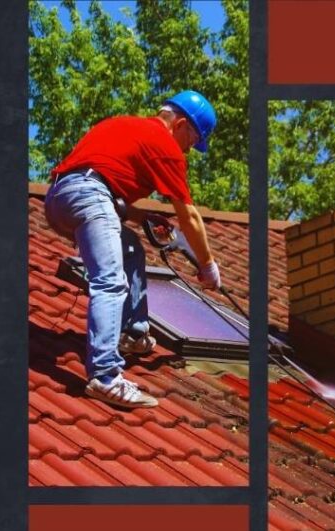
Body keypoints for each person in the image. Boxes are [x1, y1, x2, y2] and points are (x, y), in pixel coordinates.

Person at [44, 90, 221, 409]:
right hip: (91, 196)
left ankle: (133, 333)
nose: (188, 151)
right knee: (110, 281)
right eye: (192, 141)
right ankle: (105, 377)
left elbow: (97, 183)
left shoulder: (121, 124)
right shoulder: (166, 145)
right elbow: (189, 216)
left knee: (130, 249)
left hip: (58, 200)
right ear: (181, 124)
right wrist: (207, 265)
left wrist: (143, 217)